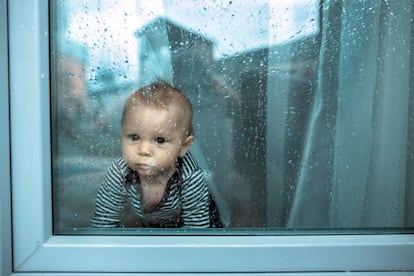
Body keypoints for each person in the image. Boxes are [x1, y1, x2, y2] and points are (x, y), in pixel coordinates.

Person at [91, 80, 221, 228]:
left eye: (159, 140)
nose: (144, 150)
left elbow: (196, 232)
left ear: (183, 146)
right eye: (134, 137)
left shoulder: (189, 177)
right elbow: (103, 221)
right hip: (154, 226)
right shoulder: (120, 171)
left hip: (196, 224)